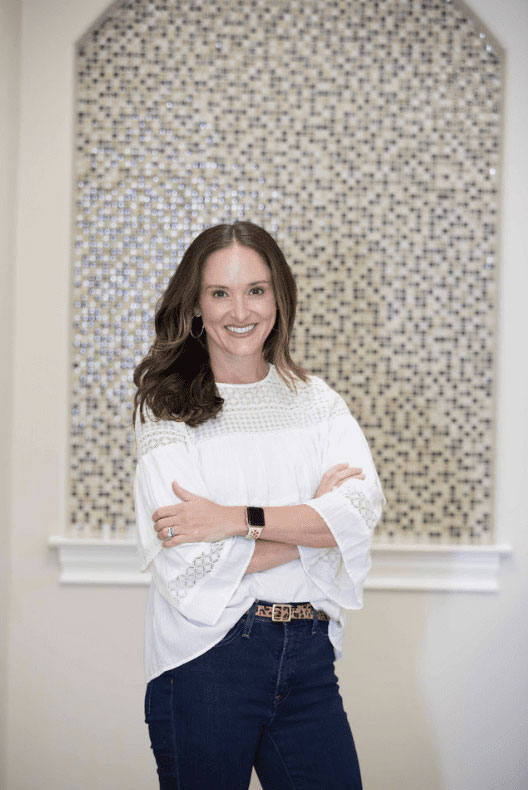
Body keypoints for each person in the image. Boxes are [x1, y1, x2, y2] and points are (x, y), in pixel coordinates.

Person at [132, 220, 385, 790]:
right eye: (219, 293)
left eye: (256, 289)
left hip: (309, 656)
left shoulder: (316, 401)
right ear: (195, 305)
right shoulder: (166, 411)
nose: (238, 310)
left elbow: (361, 513)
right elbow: (190, 563)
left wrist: (233, 520)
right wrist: (312, 523)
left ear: (278, 297)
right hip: (206, 661)